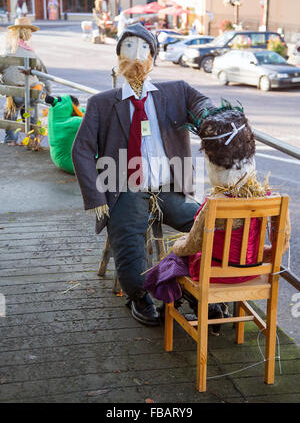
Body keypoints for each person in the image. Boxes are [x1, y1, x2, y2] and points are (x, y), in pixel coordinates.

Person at [71, 23, 216, 326]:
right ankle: (139, 296)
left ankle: (194, 288)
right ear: (118, 56)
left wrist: (211, 118)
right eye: (128, 48)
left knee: (209, 225)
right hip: (124, 189)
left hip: (168, 188)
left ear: (153, 56)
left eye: (143, 49)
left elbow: (202, 104)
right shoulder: (101, 103)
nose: (136, 56)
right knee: (130, 242)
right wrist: (96, 197)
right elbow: (81, 150)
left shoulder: (176, 91)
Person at [144, 102, 291, 314]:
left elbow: (192, 245)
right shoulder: (272, 198)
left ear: (213, 164)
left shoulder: (214, 204)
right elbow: (282, 244)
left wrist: (176, 246)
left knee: (172, 260)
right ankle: (207, 306)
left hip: (215, 272)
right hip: (251, 271)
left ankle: (181, 302)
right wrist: (260, 255)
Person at [0, 17, 51, 145]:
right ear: (27, 33)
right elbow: (44, 74)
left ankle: (10, 140)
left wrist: (3, 87)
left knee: (10, 114)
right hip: (31, 93)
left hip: (13, 94)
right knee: (31, 118)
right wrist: (47, 92)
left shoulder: (6, 52)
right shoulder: (32, 54)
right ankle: (33, 141)